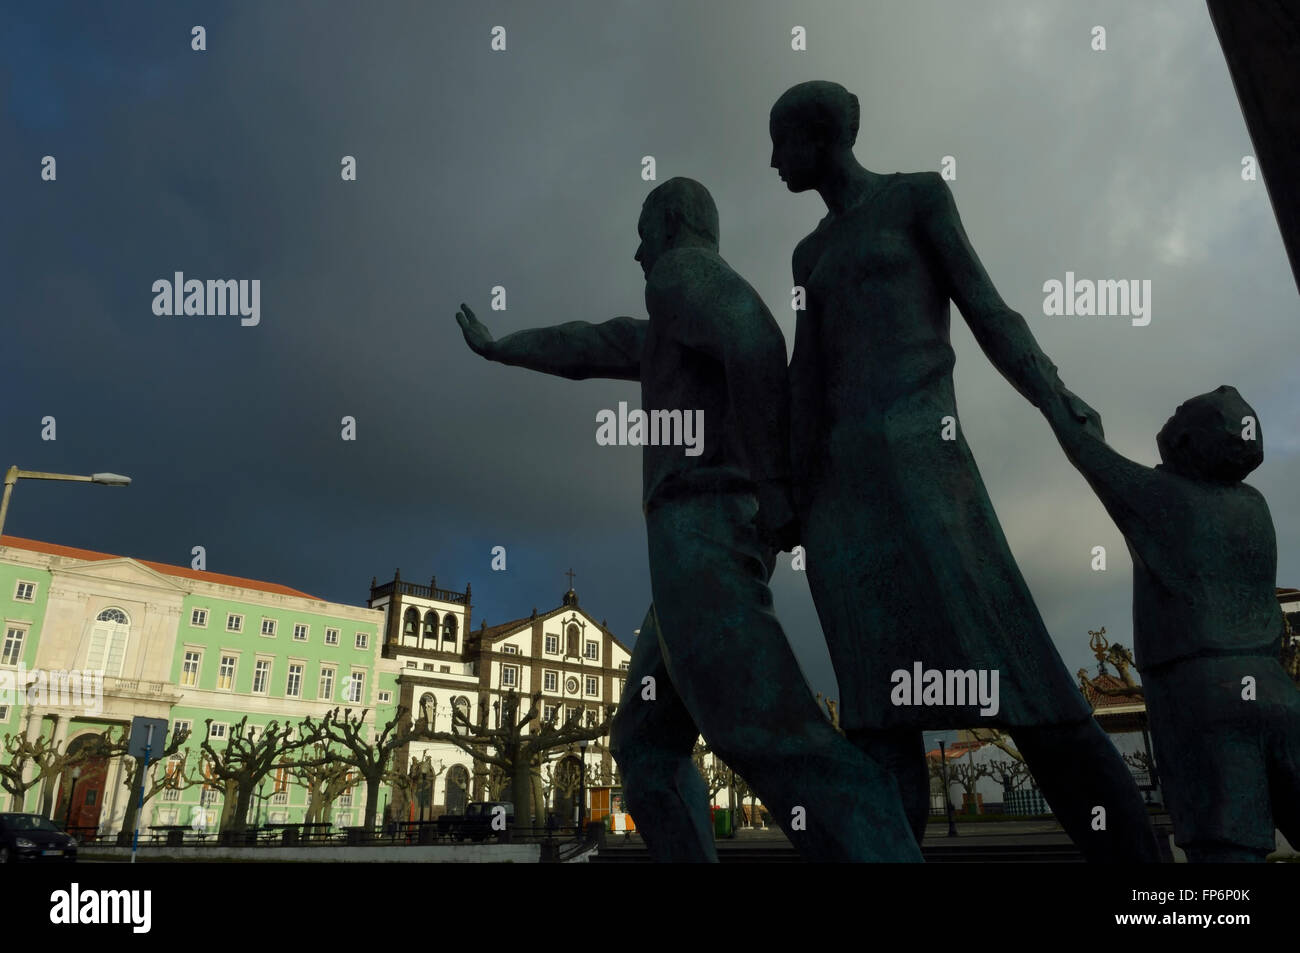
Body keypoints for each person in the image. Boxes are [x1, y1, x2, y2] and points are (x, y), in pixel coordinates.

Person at [455, 177, 921, 862]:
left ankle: (883, 846)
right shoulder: (669, 327)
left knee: (765, 729)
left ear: (671, 224)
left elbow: (755, 341)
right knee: (644, 749)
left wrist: (773, 484)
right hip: (688, 541)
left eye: (644, 233)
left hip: (702, 527)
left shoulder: (681, 272)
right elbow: (588, 343)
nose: (636, 253)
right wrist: (501, 346)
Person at [768, 80, 1159, 861]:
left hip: (923, 465)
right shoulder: (807, 252)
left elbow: (987, 308)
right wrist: (782, 494)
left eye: (782, 142)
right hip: (840, 496)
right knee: (877, 714)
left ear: (822, 138)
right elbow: (803, 380)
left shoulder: (917, 197)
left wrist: (1052, 395)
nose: (772, 162)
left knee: (1025, 682)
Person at [1043, 384, 1299, 861]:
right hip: (1277, 688)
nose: (1172, 415)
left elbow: (1081, 446)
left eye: (1181, 411)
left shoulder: (1166, 499)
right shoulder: (1255, 506)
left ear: (1185, 441)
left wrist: (1054, 390)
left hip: (1203, 695)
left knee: (1226, 856)